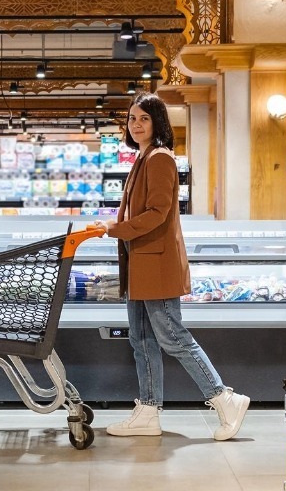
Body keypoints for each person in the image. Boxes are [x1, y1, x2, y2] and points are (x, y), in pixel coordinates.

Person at [98, 93, 250, 441]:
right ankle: (149, 412)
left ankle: (225, 398)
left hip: (156, 264)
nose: (136, 124)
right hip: (140, 264)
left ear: (158, 123)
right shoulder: (144, 157)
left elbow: (157, 213)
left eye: (144, 119)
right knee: (141, 339)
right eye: (132, 118)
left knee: (172, 337)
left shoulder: (160, 159)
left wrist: (114, 229)